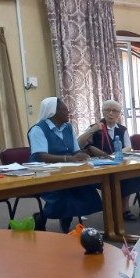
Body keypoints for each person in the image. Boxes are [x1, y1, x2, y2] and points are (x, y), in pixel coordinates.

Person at [28, 97, 102, 233]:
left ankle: (62, 224)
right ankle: (41, 217)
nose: (68, 112)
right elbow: (41, 156)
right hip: (44, 175)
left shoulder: (68, 128)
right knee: (65, 196)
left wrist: (82, 155)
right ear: (52, 113)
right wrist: (69, 159)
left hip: (68, 172)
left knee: (87, 191)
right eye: (64, 110)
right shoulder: (38, 130)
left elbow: (75, 150)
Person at [77, 100, 140, 220]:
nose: (111, 113)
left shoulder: (122, 129)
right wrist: (93, 130)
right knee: (124, 178)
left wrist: (117, 154)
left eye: (114, 111)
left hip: (119, 162)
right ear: (103, 112)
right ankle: (124, 210)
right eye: (107, 110)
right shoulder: (95, 128)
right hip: (101, 166)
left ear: (119, 113)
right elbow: (78, 144)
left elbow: (129, 147)